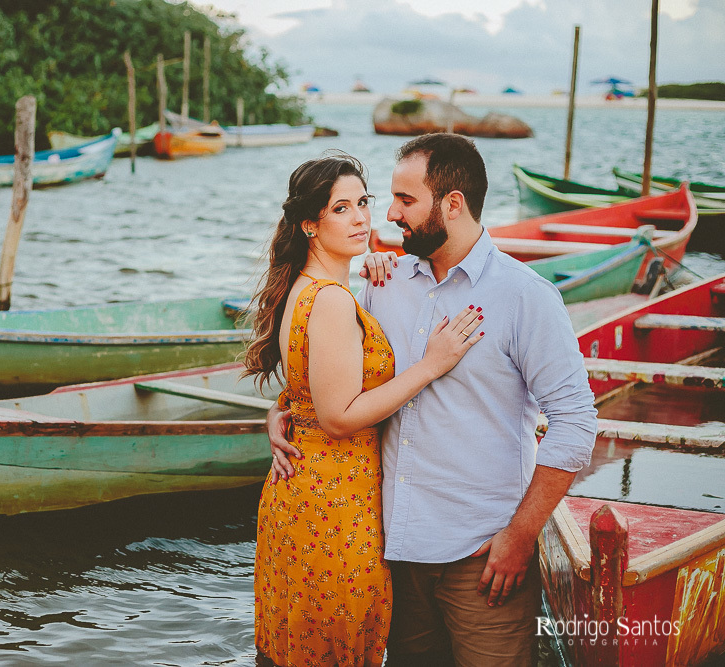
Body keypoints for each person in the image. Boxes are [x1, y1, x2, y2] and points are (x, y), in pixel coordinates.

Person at [268, 134, 598, 666]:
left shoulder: (525, 296)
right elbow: (337, 381)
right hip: (391, 551)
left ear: (452, 204)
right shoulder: (383, 281)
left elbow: (576, 424)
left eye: (404, 200)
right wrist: (286, 414)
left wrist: (520, 536)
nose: (389, 214)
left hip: (483, 557)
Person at [244, 151, 486, 666]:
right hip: (334, 505)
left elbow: (307, 391)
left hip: (306, 495)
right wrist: (431, 364)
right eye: (340, 209)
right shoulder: (330, 300)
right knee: (336, 646)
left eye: (363, 203)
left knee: (299, 646)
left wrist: (284, 410)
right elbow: (338, 417)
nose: (360, 218)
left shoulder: (309, 289)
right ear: (310, 223)